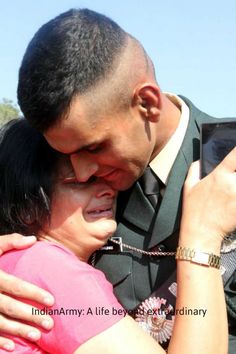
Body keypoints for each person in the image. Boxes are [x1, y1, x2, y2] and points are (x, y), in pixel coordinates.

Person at [0, 8, 235, 352]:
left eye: (93, 147)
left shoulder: (227, 159)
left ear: (147, 104)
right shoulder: (55, 179)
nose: (81, 172)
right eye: (66, 154)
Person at [0, 118, 233, 354]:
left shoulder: (18, 263)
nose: (108, 189)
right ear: (27, 207)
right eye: (82, 181)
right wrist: (203, 234)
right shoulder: (47, 266)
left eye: (104, 175)